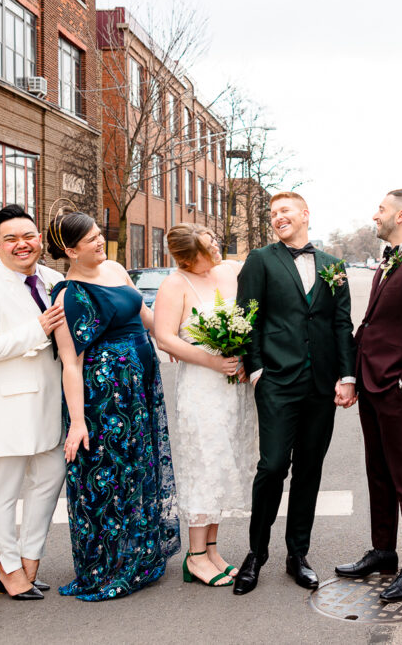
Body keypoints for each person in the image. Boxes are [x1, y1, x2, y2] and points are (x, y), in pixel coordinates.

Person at [46, 210, 180, 601]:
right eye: (91, 239)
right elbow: (71, 363)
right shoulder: (70, 295)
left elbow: (146, 317)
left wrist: (177, 340)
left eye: (99, 234)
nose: (100, 241)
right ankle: (109, 564)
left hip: (140, 385)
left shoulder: (117, 269)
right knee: (111, 473)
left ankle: (140, 556)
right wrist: (77, 422)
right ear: (71, 251)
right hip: (107, 395)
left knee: (138, 467)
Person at [232, 192, 357, 596]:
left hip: (321, 383)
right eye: (273, 213)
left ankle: (297, 555)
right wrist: (255, 370)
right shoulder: (260, 260)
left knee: (309, 469)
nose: (277, 217)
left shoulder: (332, 265)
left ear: (305, 214)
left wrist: (347, 375)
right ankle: (256, 554)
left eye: (284, 210)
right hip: (276, 381)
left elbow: (341, 323)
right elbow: (246, 315)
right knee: (271, 467)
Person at [336, 190, 402, 602]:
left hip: (397, 389)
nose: (374, 215)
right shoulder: (391, 259)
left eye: (380, 209)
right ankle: (383, 551)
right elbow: (373, 324)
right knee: (377, 473)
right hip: (372, 382)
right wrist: (352, 371)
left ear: (400, 215)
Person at [0, 205, 68, 601]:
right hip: (5, 408)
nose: (21, 245)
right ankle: (7, 566)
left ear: (40, 239)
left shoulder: (54, 280)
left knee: (49, 480)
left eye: (28, 236)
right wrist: (36, 330)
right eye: (10, 239)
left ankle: (30, 556)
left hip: (51, 403)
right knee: (3, 491)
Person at [153, 223, 258, 588]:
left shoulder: (230, 271)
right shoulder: (174, 285)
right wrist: (212, 361)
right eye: (207, 249)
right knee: (203, 463)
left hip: (234, 386)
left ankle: (212, 550)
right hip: (201, 385)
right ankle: (195, 556)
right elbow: (164, 337)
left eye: (214, 243)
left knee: (223, 464)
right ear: (187, 257)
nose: (216, 251)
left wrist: (244, 357)